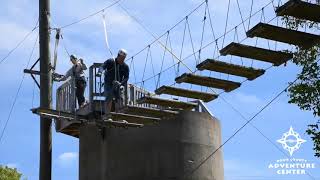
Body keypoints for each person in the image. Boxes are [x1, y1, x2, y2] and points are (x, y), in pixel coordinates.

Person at [97, 49, 129, 114]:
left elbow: (126, 77)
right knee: (109, 97)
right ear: (118, 56)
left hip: (118, 85)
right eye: (122, 58)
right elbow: (103, 66)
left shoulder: (125, 66)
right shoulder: (111, 61)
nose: (123, 60)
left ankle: (119, 115)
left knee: (120, 98)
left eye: (124, 58)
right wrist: (100, 72)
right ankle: (107, 114)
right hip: (108, 83)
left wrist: (121, 83)